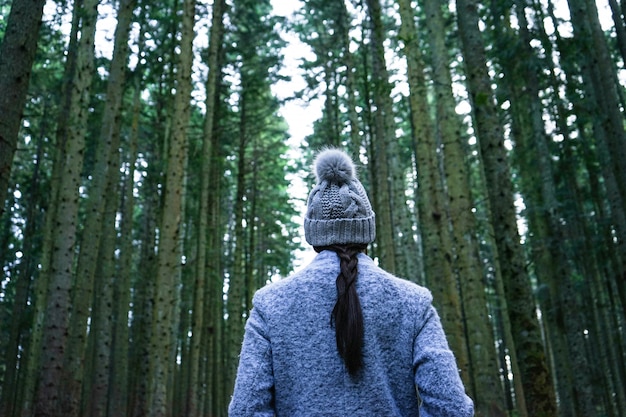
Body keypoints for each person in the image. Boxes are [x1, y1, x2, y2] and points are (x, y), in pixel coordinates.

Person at [229, 148, 474, 416]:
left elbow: (246, 409)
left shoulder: (270, 305)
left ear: (313, 234)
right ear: (367, 233)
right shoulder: (413, 302)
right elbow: (450, 408)